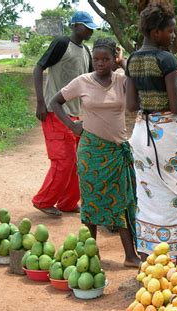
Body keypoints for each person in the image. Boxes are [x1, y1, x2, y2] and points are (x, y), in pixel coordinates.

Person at [125, 4, 177, 262]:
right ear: (155, 31)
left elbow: (130, 105)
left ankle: (152, 250)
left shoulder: (132, 60)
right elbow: (175, 106)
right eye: (170, 31)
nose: (174, 36)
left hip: (141, 133)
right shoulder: (167, 60)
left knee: (149, 192)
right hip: (165, 135)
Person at [50, 39, 140, 267]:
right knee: (90, 200)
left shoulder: (122, 79)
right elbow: (55, 102)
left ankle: (130, 256)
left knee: (121, 201)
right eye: (96, 59)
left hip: (116, 151)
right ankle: (91, 253)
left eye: (106, 59)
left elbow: (136, 83)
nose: (100, 63)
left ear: (113, 59)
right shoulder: (82, 82)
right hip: (91, 151)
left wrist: (123, 62)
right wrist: (72, 126)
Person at [32, 11, 98, 217]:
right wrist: (41, 102)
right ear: (76, 26)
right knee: (63, 161)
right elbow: (38, 67)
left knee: (78, 161)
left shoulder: (86, 50)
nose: (90, 30)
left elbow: (90, 80)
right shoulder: (62, 43)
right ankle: (43, 200)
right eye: (87, 26)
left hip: (76, 114)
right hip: (55, 112)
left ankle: (68, 202)